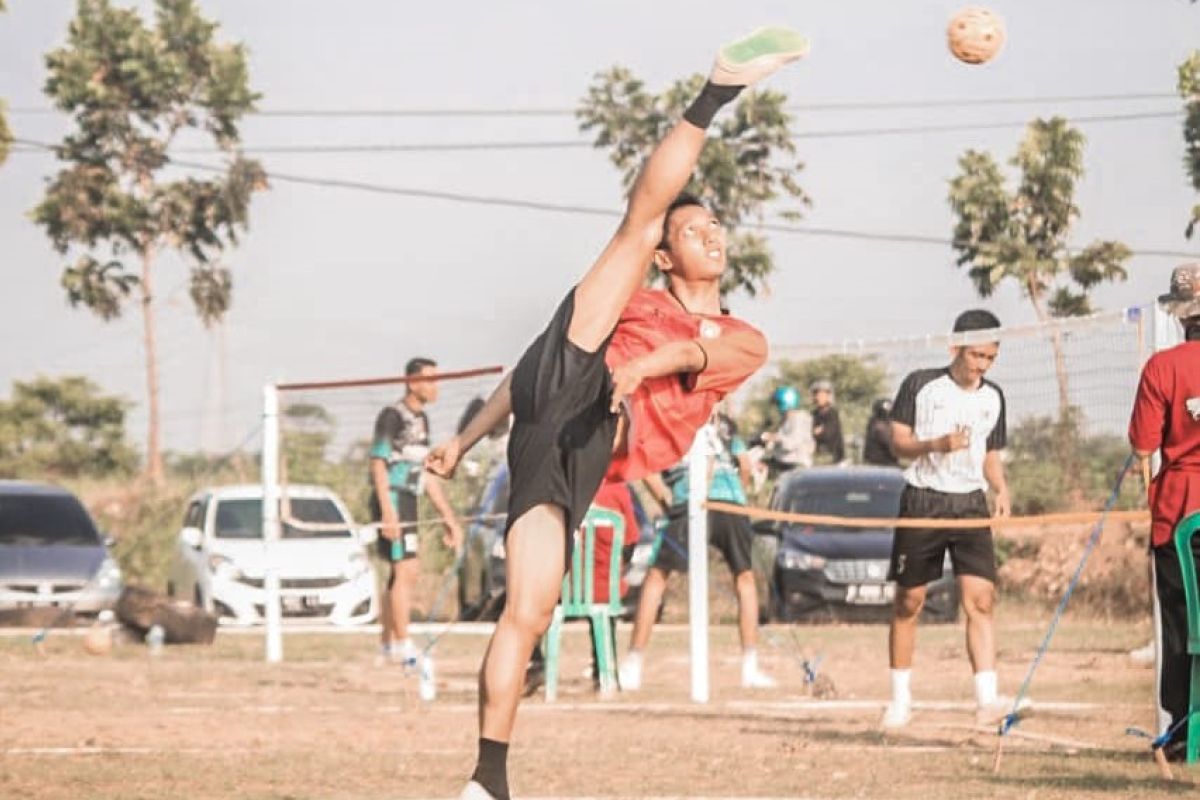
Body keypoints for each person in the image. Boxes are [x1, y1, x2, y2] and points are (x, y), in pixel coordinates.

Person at [424, 28, 806, 800]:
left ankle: (485, 780)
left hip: (576, 445)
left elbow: (689, 360)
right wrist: (464, 440)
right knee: (634, 218)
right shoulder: (637, 294)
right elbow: (535, 365)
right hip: (574, 376)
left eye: (715, 227)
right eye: (694, 229)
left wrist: (638, 368)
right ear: (669, 259)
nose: (712, 233)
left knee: (528, 612)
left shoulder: (743, 338)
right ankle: (717, 91)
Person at [881, 309, 1019, 730]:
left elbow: (991, 454)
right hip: (924, 501)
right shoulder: (921, 384)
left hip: (969, 506)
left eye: (990, 358)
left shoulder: (993, 396)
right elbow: (898, 443)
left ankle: (987, 700)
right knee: (909, 602)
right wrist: (937, 444)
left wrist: (1001, 488)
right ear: (955, 347)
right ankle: (901, 701)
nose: (982, 365)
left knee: (980, 601)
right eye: (976, 355)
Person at [618, 412, 775, 690]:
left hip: (693, 501)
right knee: (744, 578)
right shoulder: (717, 420)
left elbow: (646, 470)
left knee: (657, 577)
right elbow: (744, 465)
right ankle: (750, 666)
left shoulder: (666, 418)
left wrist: (666, 500)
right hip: (718, 503)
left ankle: (634, 663)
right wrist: (739, 493)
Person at [1128, 263, 1200, 762]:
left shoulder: (1162, 367)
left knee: (1181, 623)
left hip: (1178, 512)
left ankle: (1180, 729)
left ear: (1180, 318)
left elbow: (1143, 444)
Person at [369, 357, 464, 664]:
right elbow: (378, 463)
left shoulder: (423, 422)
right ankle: (402, 644)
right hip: (393, 500)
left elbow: (427, 476)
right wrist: (387, 512)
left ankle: (388, 644)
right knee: (407, 571)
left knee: (399, 573)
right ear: (412, 382)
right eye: (430, 379)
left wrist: (450, 519)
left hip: (409, 498)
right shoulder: (392, 416)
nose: (436, 386)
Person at [760, 384, 815, 475]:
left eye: (778, 403)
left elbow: (791, 443)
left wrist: (775, 438)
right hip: (784, 461)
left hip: (796, 463)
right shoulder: (786, 420)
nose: (777, 408)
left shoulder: (800, 419)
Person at [810, 379, 845, 464]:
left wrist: (817, 432)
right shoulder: (814, 414)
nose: (817, 397)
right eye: (816, 394)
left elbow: (828, 434)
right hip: (818, 456)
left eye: (821, 395)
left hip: (833, 458)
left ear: (829, 396)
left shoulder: (832, 414)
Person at [862, 398, 899, 467]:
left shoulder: (876, 424)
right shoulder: (879, 427)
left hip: (880, 465)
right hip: (881, 466)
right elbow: (893, 448)